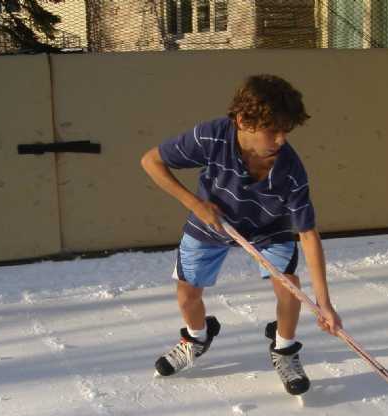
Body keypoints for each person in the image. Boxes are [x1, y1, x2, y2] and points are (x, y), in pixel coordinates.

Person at [140, 74, 342, 396]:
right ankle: (197, 338)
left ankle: (284, 349)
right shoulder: (213, 137)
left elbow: (307, 233)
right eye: (272, 131)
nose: (280, 140)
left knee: (289, 286)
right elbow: (151, 161)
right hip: (212, 220)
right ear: (243, 120)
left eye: (285, 131)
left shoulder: (290, 169)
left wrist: (325, 303)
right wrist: (197, 204)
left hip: (268, 227)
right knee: (187, 294)